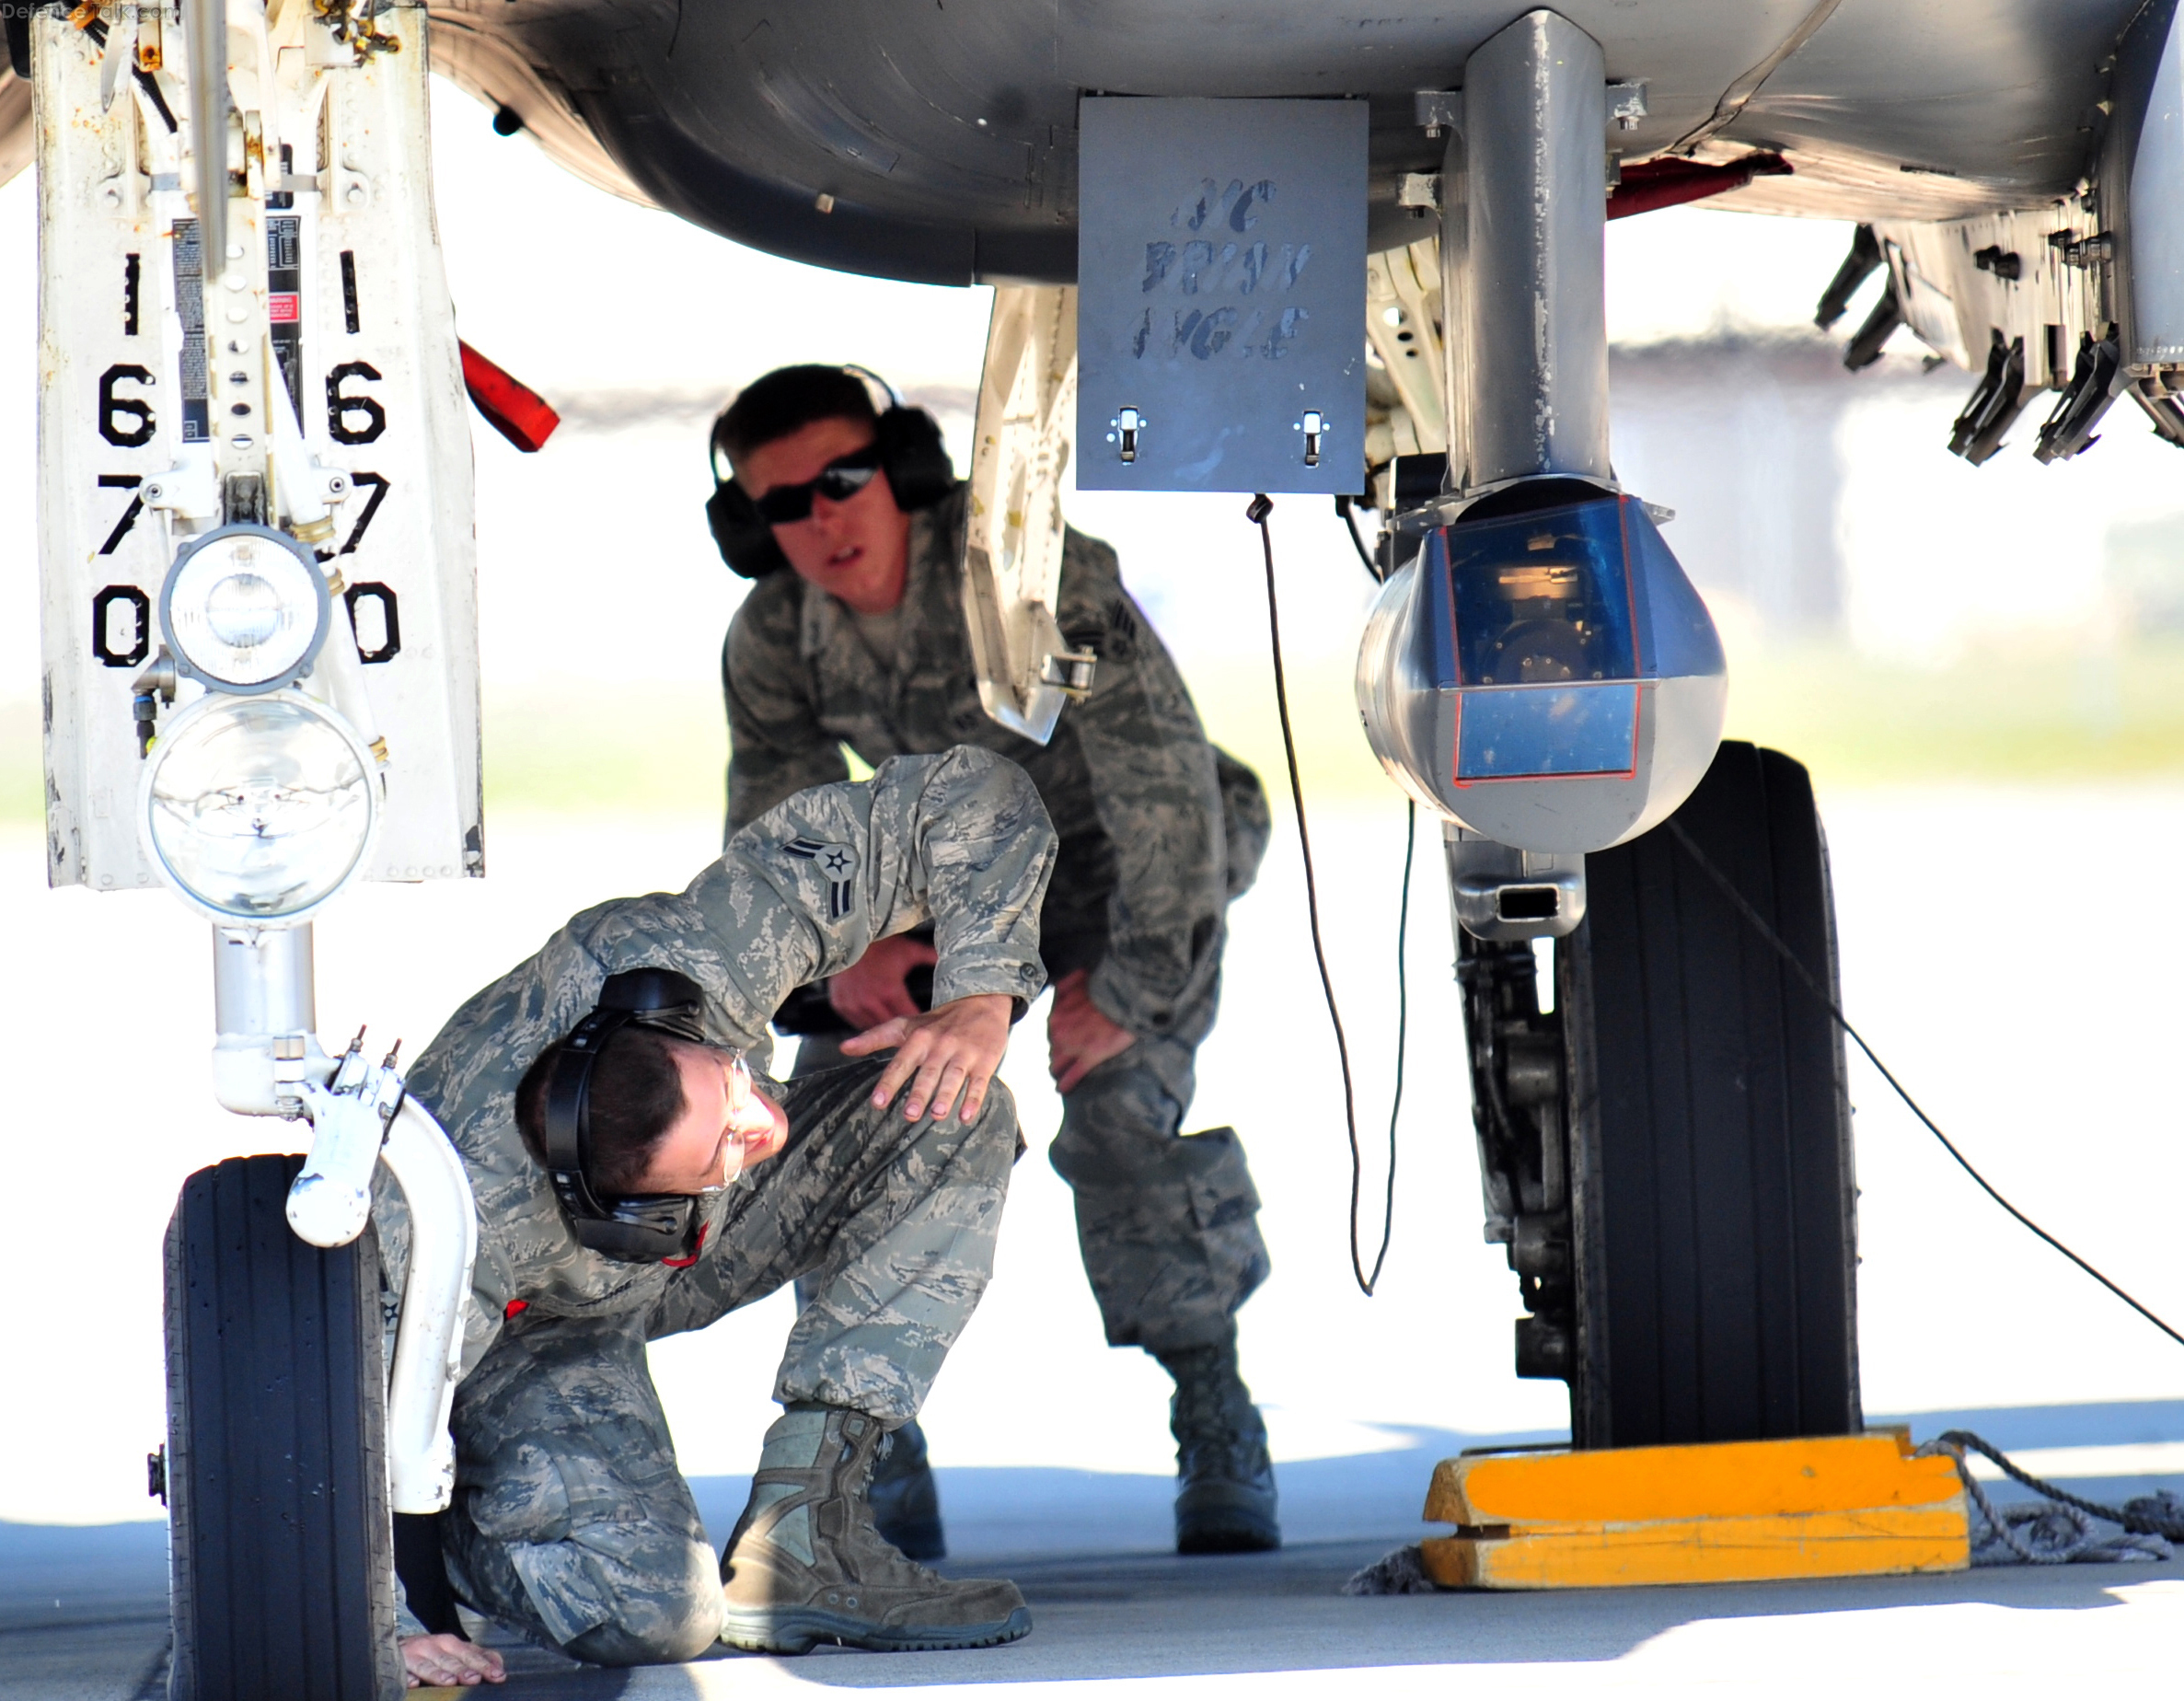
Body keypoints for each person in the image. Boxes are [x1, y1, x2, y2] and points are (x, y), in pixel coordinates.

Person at [712, 364, 1280, 1559]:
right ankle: (866, 1439)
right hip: (951, 894)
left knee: (1120, 1112)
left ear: (902, 472)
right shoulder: (774, 637)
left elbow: (1163, 779)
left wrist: (1124, 986)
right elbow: (776, 834)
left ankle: (1213, 1408)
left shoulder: (1025, 572)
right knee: (850, 1118)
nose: (822, 520)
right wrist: (840, 964)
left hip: (1125, 874)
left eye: (844, 480)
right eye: (783, 505)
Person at [373, 746, 1057, 1686]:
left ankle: (808, 1534)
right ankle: (476, 1522)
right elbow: (337, 1429)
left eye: (731, 1083)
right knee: (653, 1611)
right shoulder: (445, 1221)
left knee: (954, 1101)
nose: (764, 1124)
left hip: (696, 1242)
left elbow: (971, 793)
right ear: (627, 1207)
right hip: (527, 1340)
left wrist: (980, 999)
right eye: (724, 1147)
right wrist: (393, 1615)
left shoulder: (692, 963)